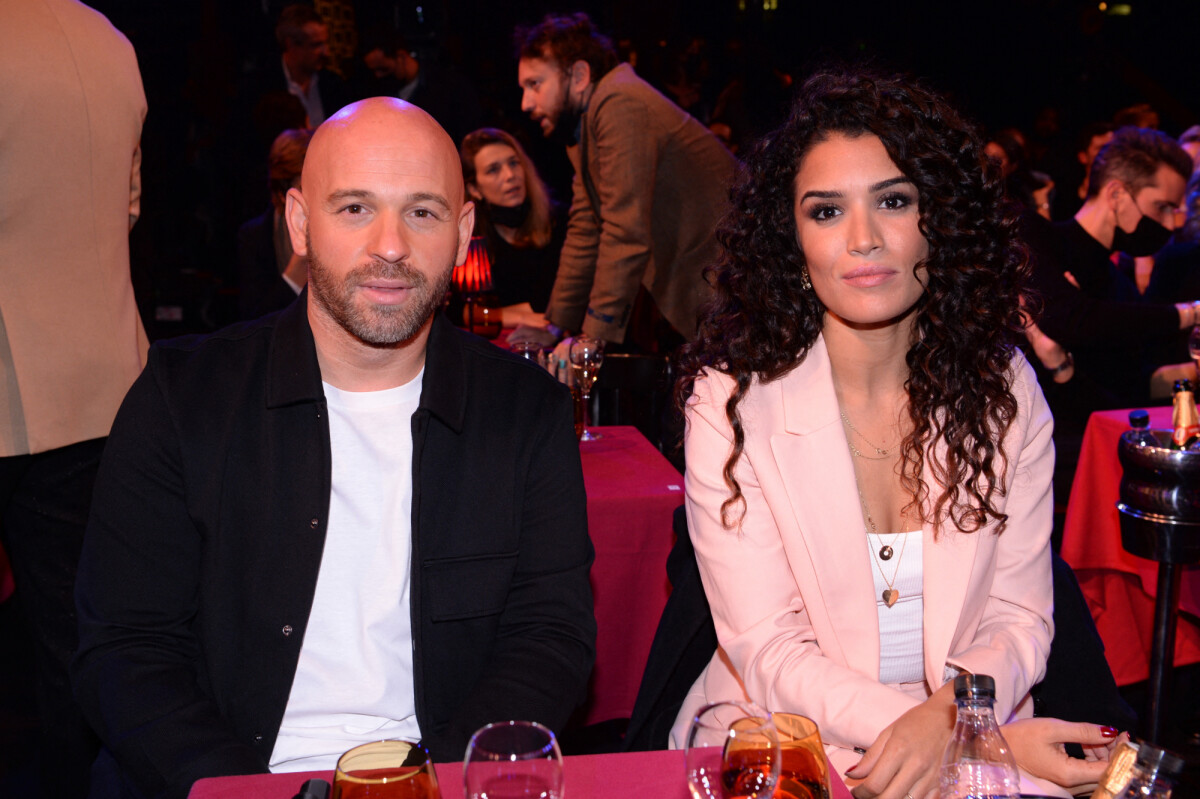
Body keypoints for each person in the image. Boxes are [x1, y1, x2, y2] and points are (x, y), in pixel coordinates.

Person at [72, 98, 596, 799]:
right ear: (299, 221)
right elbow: (126, 649)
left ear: (464, 228)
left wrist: (438, 784)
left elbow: (549, 636)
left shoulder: (524, 411)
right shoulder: (182, 397)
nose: (390, 246)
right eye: (355, 208)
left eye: (423, 212)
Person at [668, 70, 1116, 798]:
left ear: (940, 218)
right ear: (792, 237)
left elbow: (1019, 618)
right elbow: (769, 648)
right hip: (786, 742)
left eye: (894, 201)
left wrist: (959, 726)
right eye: (825, 211)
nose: (864, 239)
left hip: (977, 722)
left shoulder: (1005, 390)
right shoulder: (731, 400)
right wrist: (971, 742)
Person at [0, 1, 149, 795]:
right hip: (99, 381)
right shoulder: (108, 40)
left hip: (14, 379)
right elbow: (128, 208)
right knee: (77, 638)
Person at [515, 13, 737, 352]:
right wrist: (557, 325)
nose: (526, 103)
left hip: (738, 286)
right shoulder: (586, 125)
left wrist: (592, 340)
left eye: (535, 84)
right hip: (717, 290)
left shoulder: (619, 102)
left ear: (578, 75)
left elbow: (624, 231)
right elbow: (585, 230)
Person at [460, 127, 566, 345]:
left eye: (514, 163)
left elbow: (554, 305)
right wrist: (517, 315)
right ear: (475, 189)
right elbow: (460, 313)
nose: (510, 176)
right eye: (493, 170)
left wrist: (492, 314)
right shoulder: (469, 237)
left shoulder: (560, 222)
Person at [237, 127, 313, 320]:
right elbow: (252, 324)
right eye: (305, 189)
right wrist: (293, 276)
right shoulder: (255, 237)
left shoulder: (342, 227)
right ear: (282, 193)